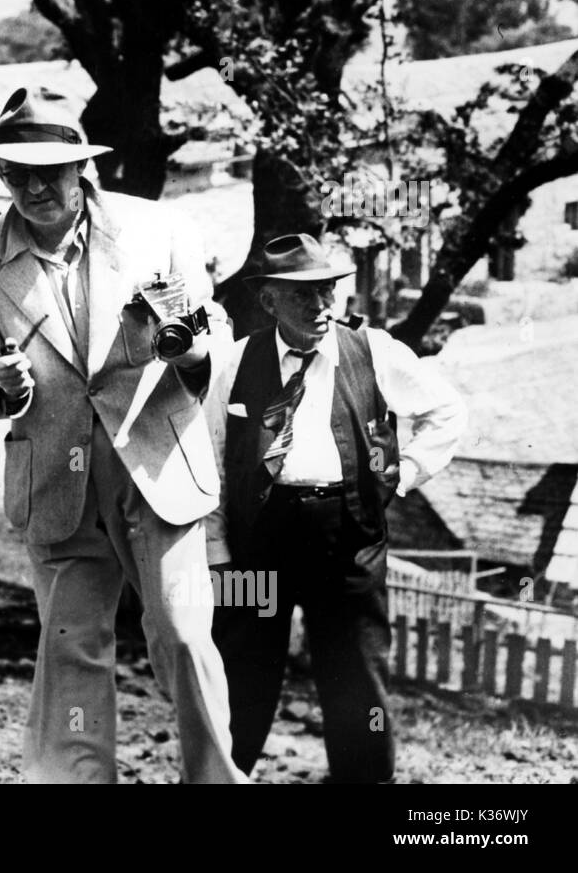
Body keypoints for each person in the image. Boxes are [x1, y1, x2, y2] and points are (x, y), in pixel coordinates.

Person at [0, 87, 245, 784]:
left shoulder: (160, 230)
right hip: (54, 480)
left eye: (51, 170)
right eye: (16, 173)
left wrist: (190, 354)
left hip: (158, 464)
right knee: (73, 648)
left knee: (181, 635)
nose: (34, 187)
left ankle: (217, 780)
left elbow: (215, 332)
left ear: (83, 167)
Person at [205, 233, 467, 782]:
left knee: (359, 686)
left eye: (329, 290)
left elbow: (447, 412)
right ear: (270, 301)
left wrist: (404, 476)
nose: (322, 306)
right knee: (238, 679)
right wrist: (218, 555)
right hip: (255, 549)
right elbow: (206, 463)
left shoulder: (373, 351)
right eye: (303, 294)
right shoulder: (233, 363)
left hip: (349, 542)